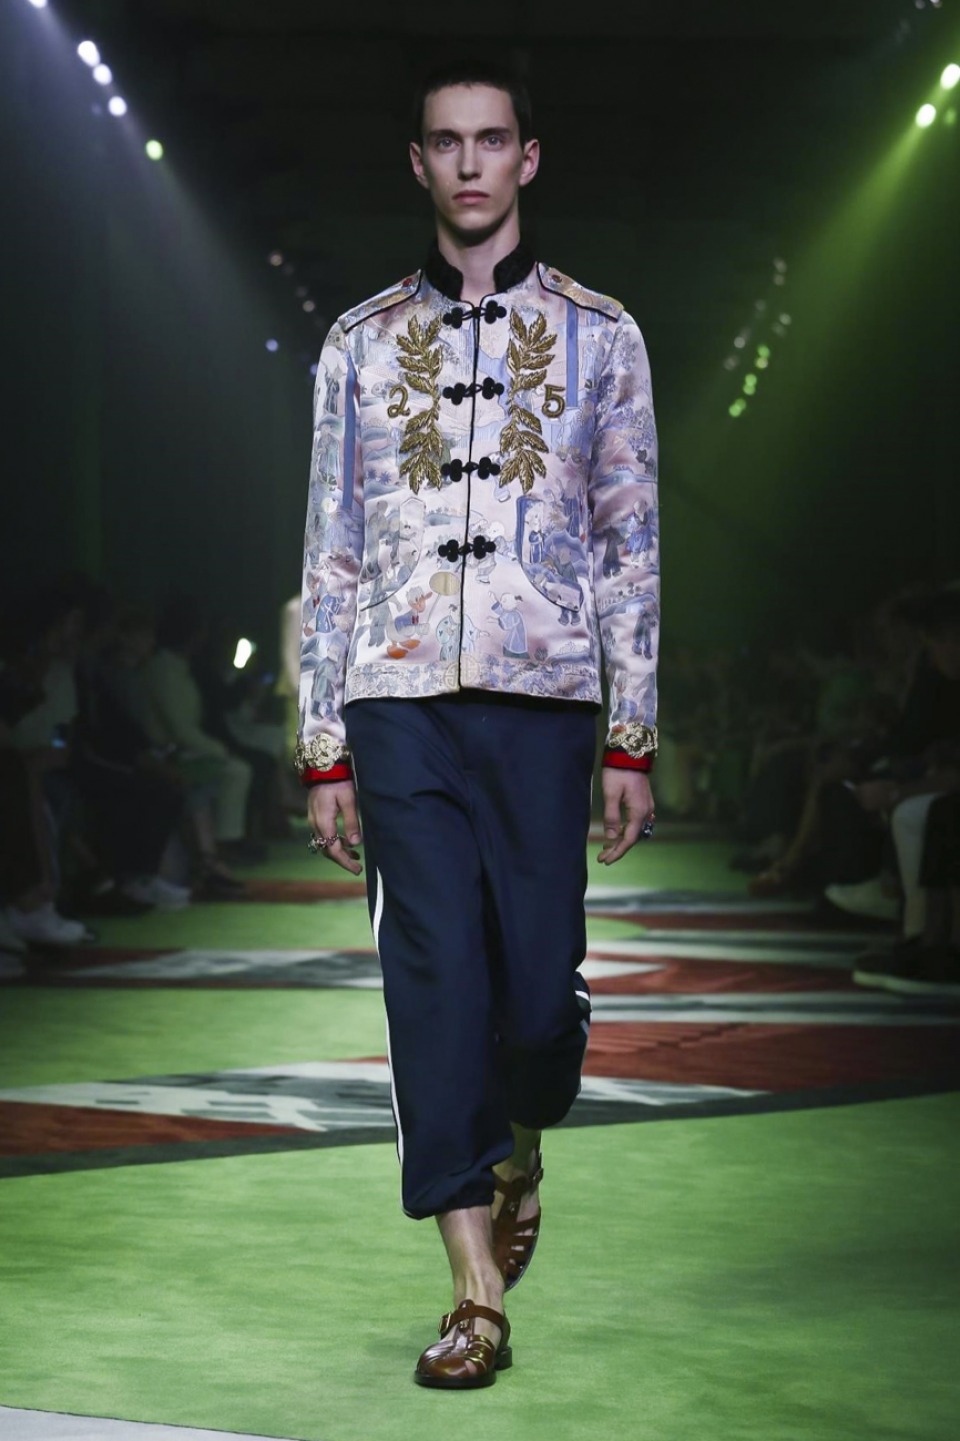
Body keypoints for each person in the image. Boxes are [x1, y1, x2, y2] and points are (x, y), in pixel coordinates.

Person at [296, 61, 659, 1389]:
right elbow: (330, 547)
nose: (467, 163)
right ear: (419, 163)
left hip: (545, 698)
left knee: (538, 1001)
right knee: (431, 979)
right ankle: (472, 1290)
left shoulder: (602, 337)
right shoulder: (356, 344)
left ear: (527, 159)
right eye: (445, 142)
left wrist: (633, 733)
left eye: (490, 140)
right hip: (396, 700)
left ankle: (523, 1140)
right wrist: (324, 743)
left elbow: (629, 545)